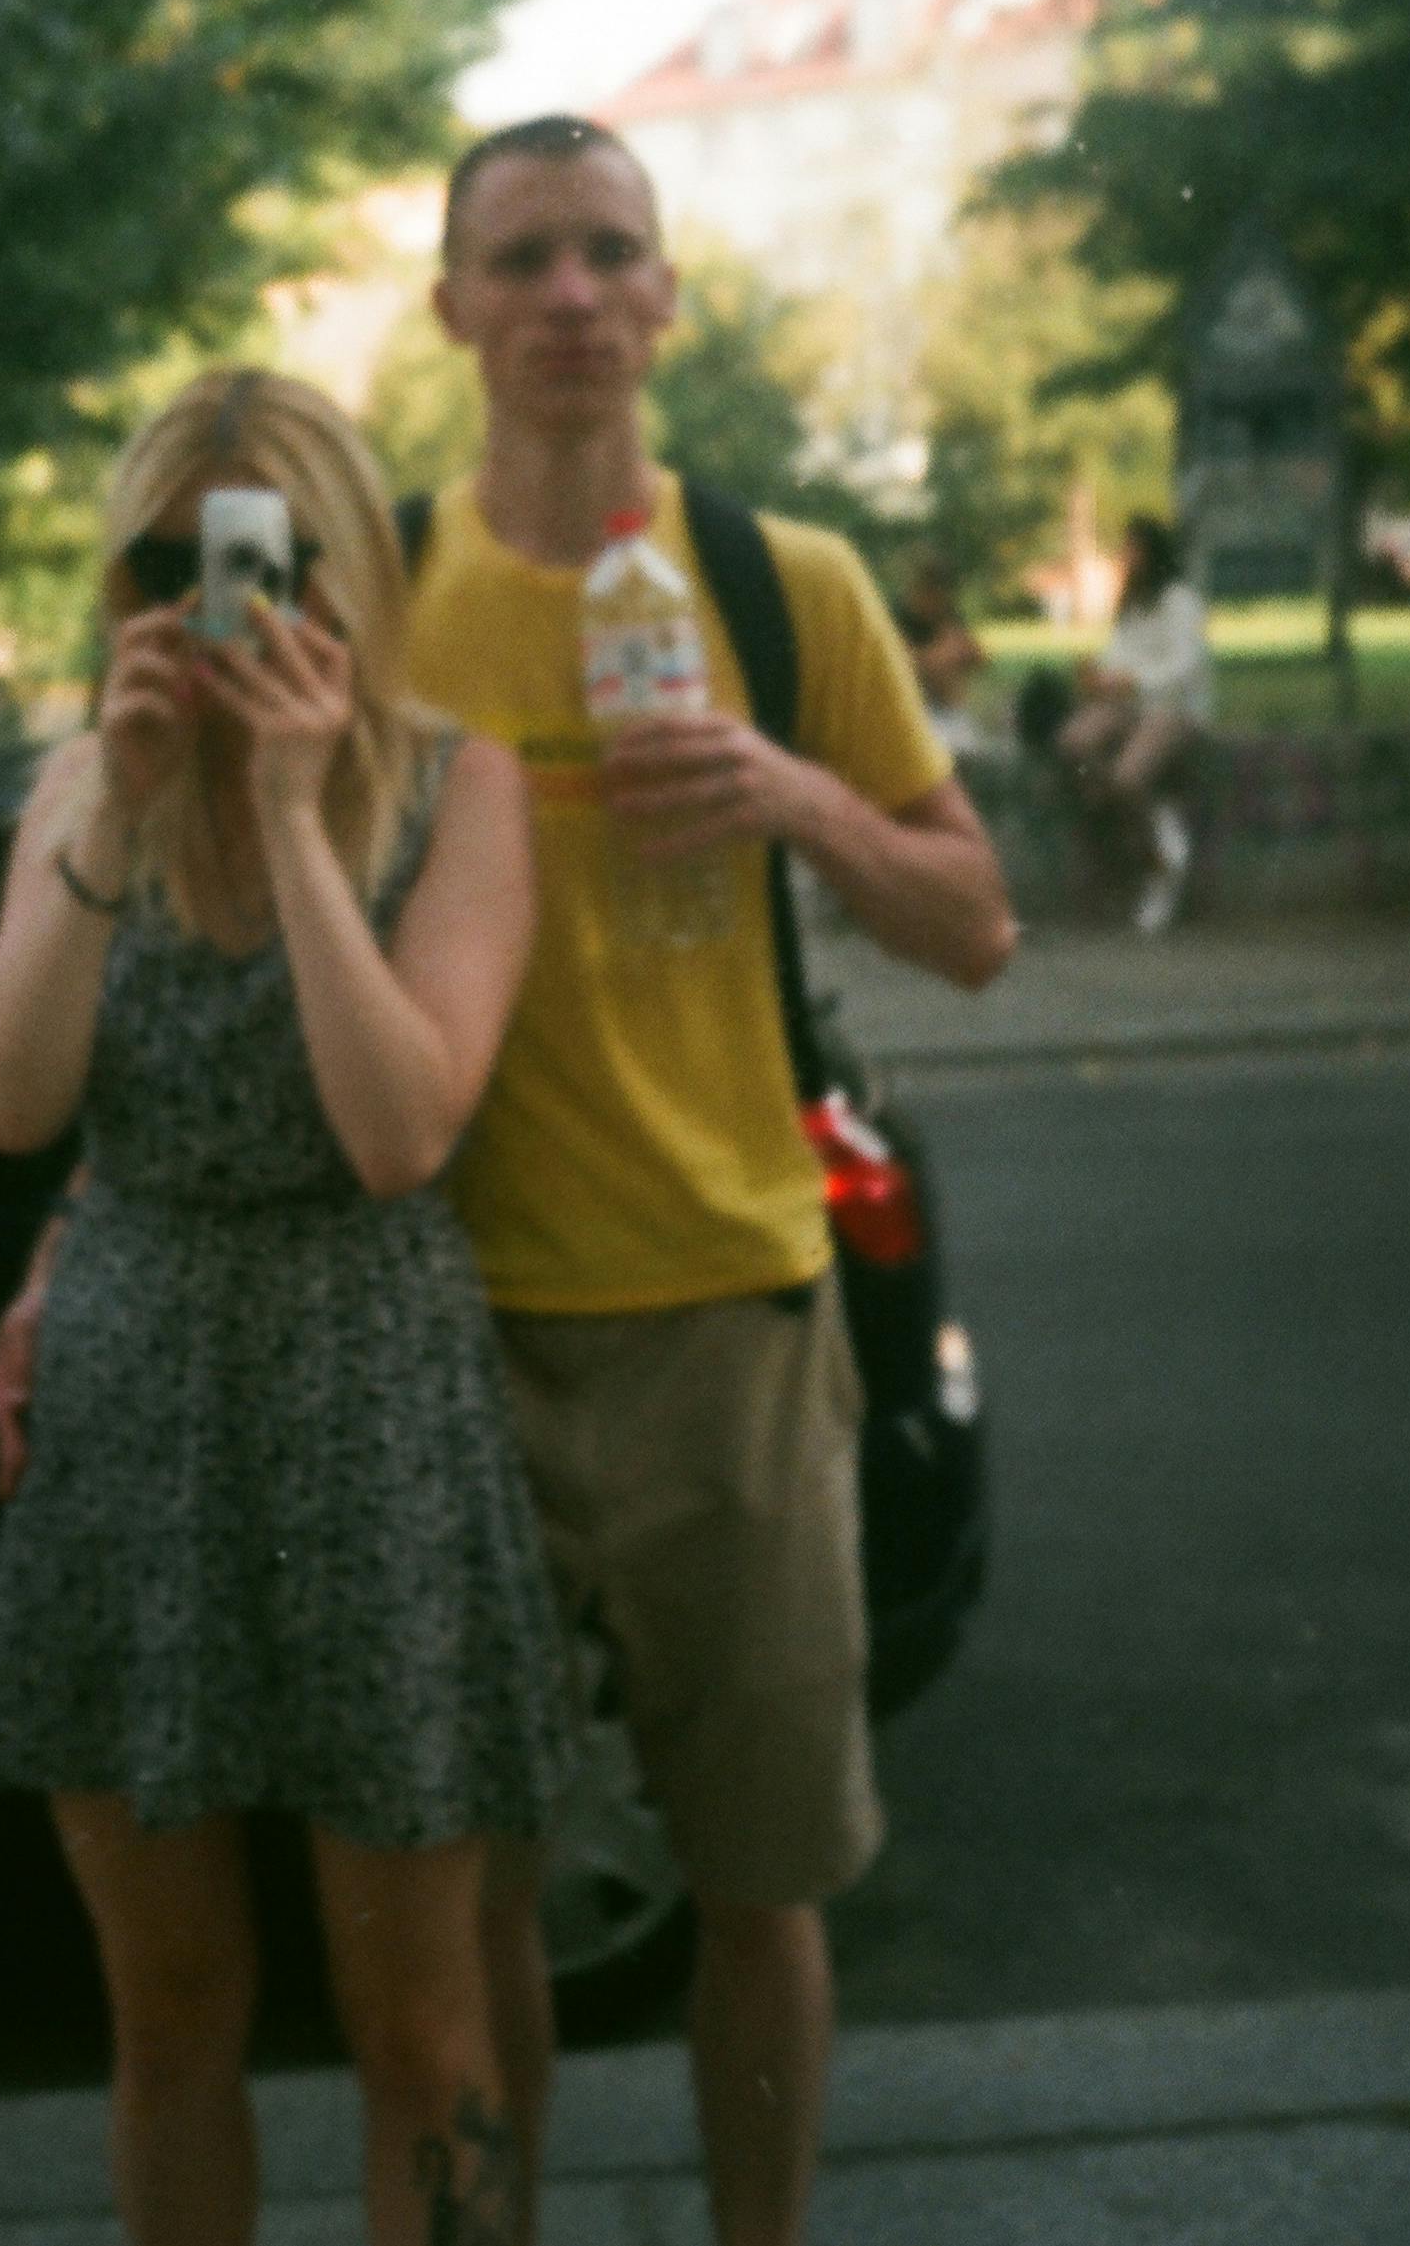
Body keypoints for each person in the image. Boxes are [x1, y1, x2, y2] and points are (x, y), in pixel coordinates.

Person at [405, 116, 1016, 2246]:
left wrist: (787, 795)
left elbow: (974, 921)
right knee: (473, 1885)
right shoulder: (386, 589)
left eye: (607, 252)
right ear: (454, 306)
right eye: (520, 257)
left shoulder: (787, 581)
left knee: (756, 1880)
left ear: (664, 298)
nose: (567, 292)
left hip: (733, 1319)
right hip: (446, 1328)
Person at [0, 368, 571, 2246]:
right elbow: (8, 1097)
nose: (213, 604)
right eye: (167, 561)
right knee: (169, 2014)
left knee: (413, 2017)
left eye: (261, 559)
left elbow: (398, 1131)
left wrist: (299, 819)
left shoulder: (457, 783)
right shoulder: (79, 784)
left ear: (347, 571)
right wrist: (116, 820)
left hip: (364, 1397)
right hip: (137, 1411)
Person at [1054, 512, 1213, 934]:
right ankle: (1118, 819)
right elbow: (1119, 653)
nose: (1125, 557)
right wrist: (1100, 675)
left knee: (1127, 777)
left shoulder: (1180, 601)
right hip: (1131, 704)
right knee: (1074, 741)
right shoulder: (1131, 602)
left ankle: (1162, 860)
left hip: (1173, 707)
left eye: (1132, 549)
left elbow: (1186, 667)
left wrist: (1132, 680)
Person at [891, 552, 989, 755]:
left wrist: (957, 652)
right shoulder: (899, 618)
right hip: (912, 710)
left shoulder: (946, 616)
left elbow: (977, 656)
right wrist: (940, 655)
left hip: (948, 709)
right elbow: (902, 662)